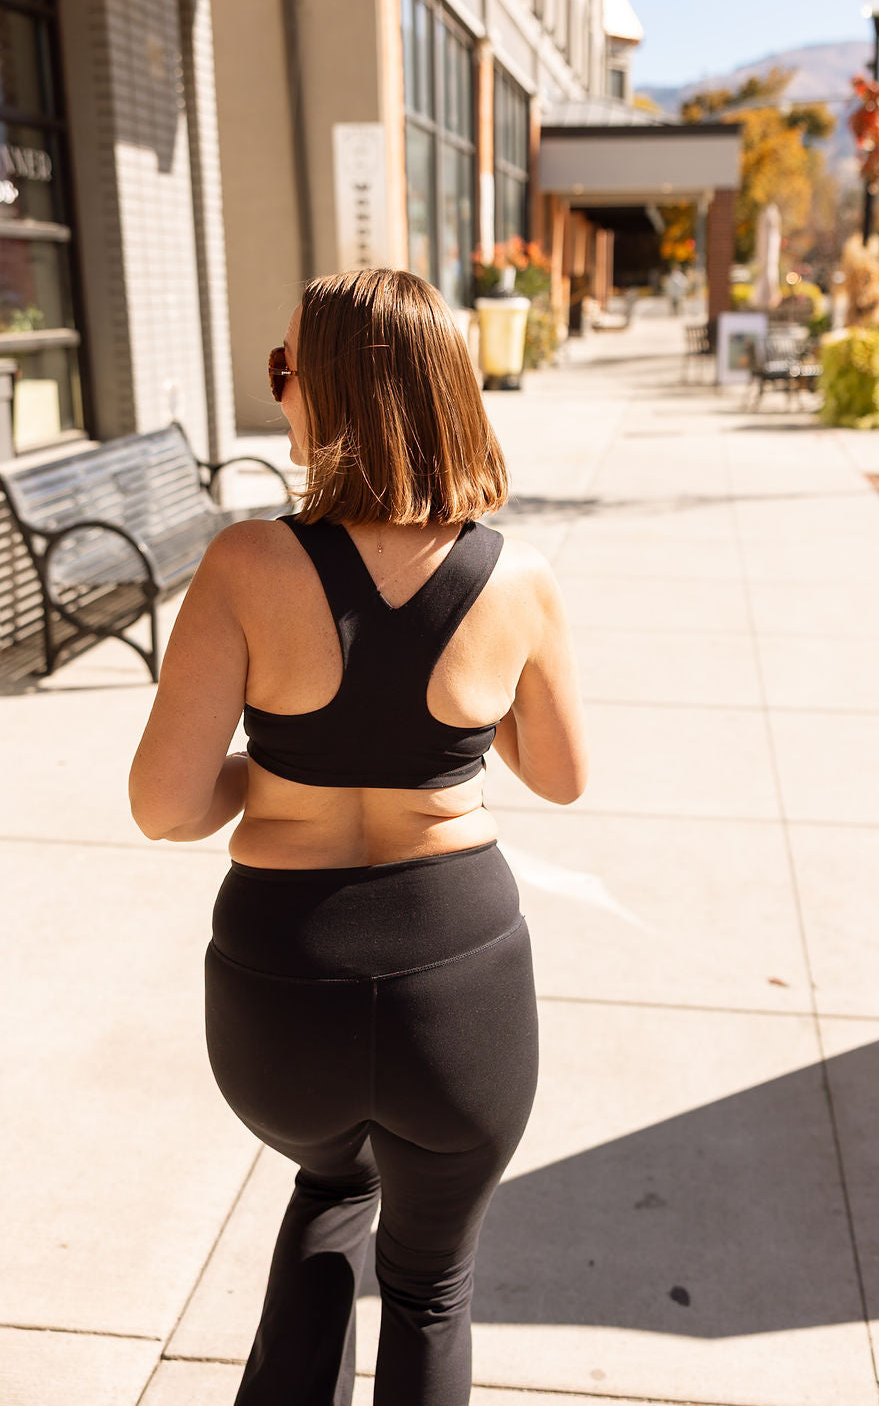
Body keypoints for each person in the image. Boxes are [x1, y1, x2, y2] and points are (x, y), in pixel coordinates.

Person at [129, 268, 588, 1406]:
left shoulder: (245, 564)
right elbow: (561, 776)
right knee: (432, 1286)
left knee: (327, 1188)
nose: (278, 391)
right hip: (459, 981)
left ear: (323, 393)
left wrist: (280, 763)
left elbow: (166, 805)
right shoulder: (517, 575)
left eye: (287, 370)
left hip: (282, 983)